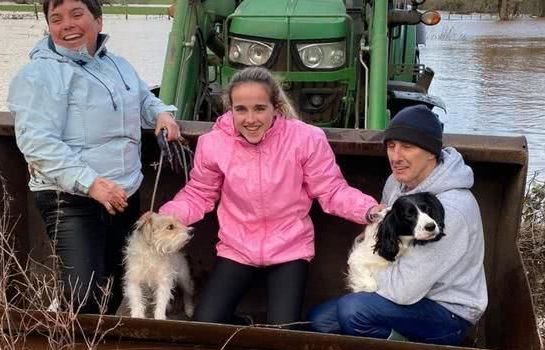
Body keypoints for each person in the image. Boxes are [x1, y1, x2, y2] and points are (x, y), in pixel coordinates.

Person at [158, 67, 382, 325]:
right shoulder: (214, 144)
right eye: (240, 109)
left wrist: (369, 210)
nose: (250, 118)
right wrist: (166, 215)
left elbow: (331, 190)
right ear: (230, 109)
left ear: (275, 107)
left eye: (259, 108)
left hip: (289, 247)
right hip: (237, 246)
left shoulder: (306, 139)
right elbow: (199, 193)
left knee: (282, 331)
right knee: (206, 322)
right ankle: (245, 326)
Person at [7, 0, 181, 315]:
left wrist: (161, 113)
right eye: (56, 19)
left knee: (116, 284)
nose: (67, 25)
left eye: (77, 14)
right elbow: (36, 142)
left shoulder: (118, 65)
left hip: (124, 193)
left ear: (98, 20)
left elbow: (142, 98)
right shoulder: (39, 75)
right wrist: (92, 183)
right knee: (83, 295)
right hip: (72, 198)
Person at [308, 105, 487, 346]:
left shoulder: (451, 209)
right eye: (391, 146)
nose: (396, 156)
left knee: (355, 312)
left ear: (431, 152)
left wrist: (365, 270)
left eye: (407, 147)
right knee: (320, 321)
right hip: (405, 293)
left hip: (447, 312)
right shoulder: (397, 183)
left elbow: (404, 290)